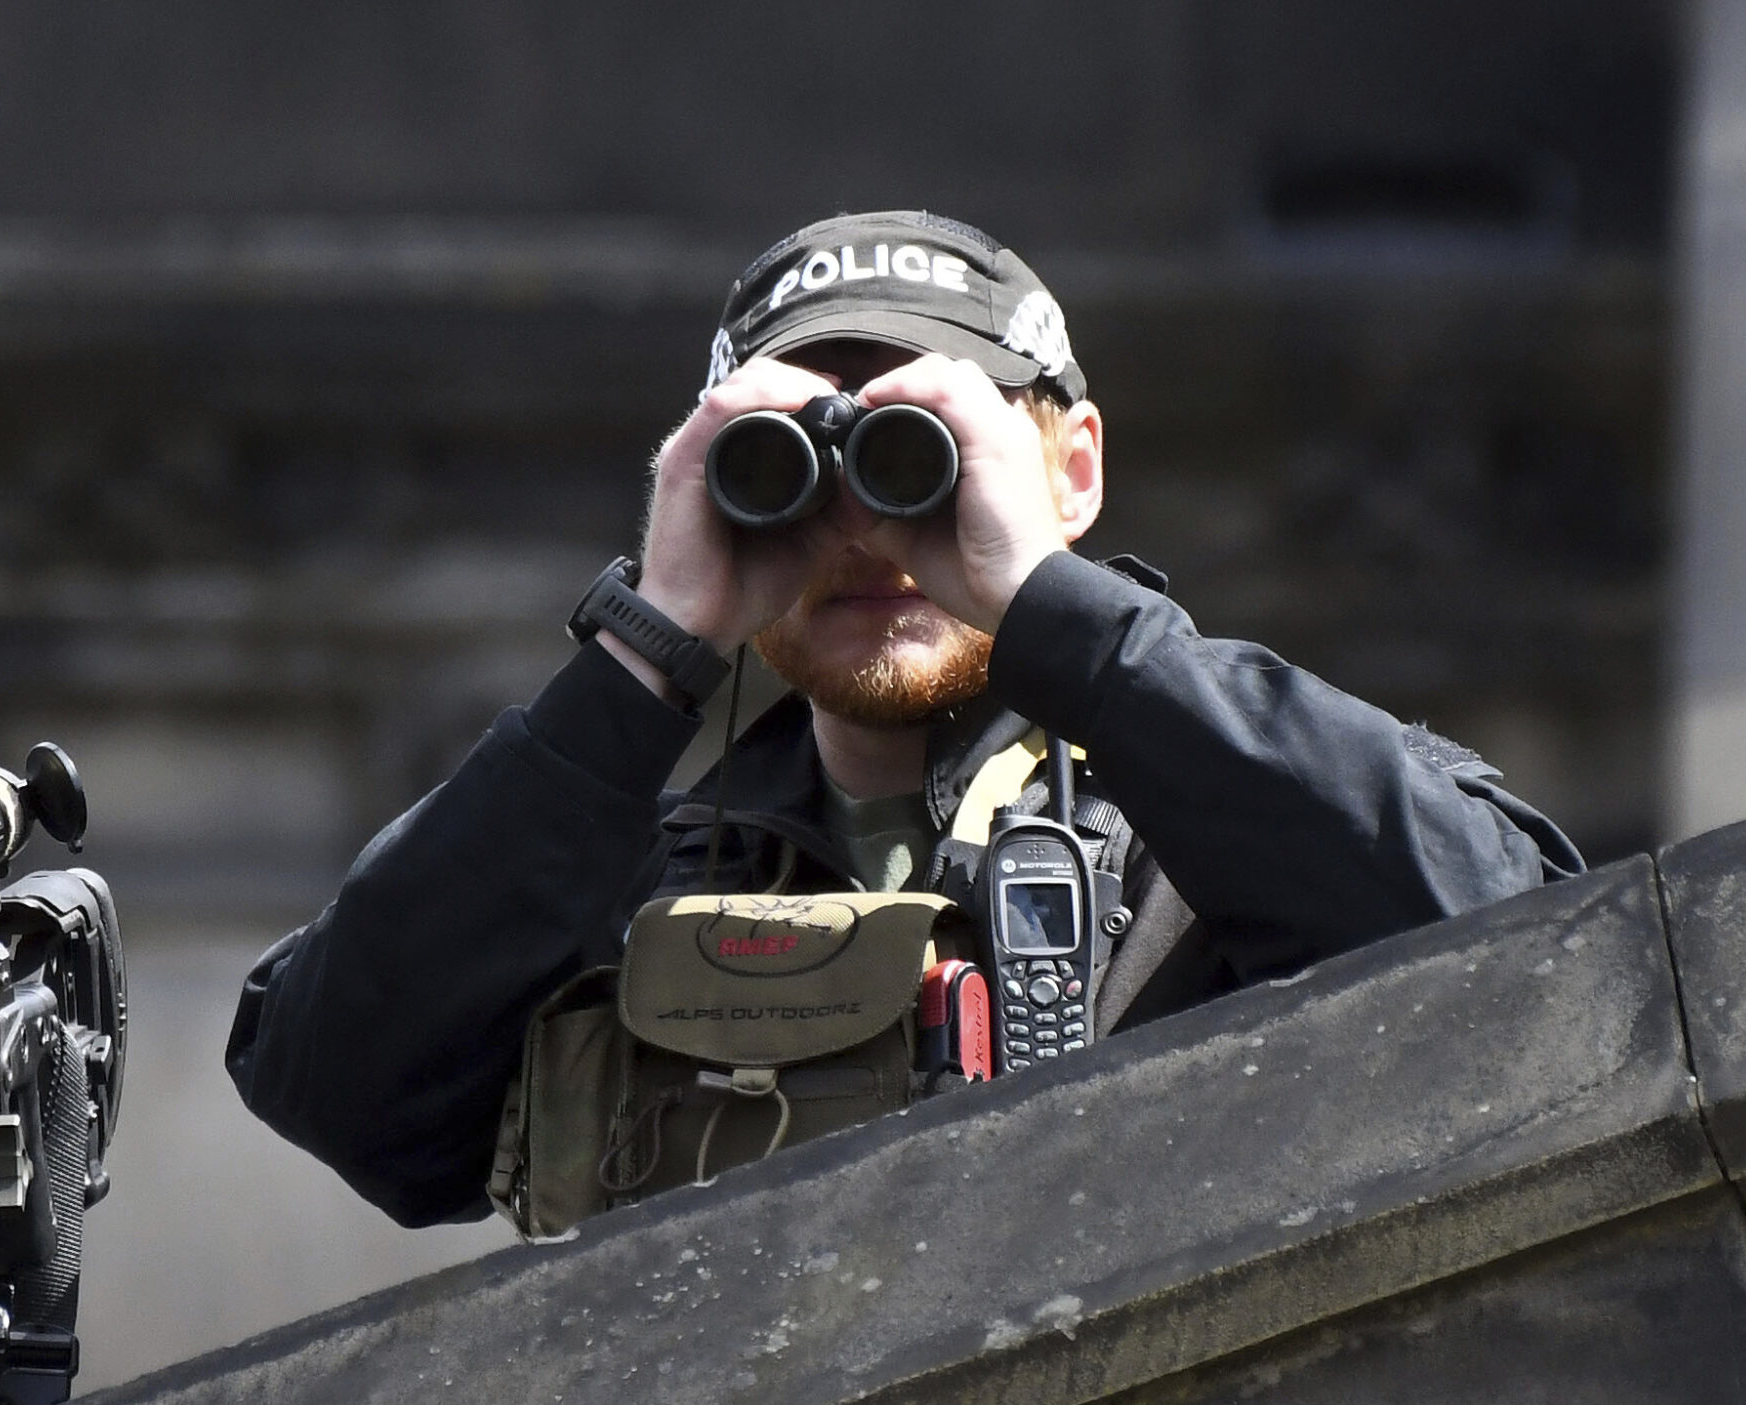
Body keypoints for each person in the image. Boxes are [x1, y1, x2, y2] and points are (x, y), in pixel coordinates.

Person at [227, 210, 1581, 1228]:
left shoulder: (1214, 844)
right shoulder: (622, 885)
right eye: (798, 468)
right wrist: (647, 657)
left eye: (927, 453)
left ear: (1075, 468)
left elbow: (1530, 954)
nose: (871, 531)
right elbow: (332, 1087)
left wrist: (1053, 607)